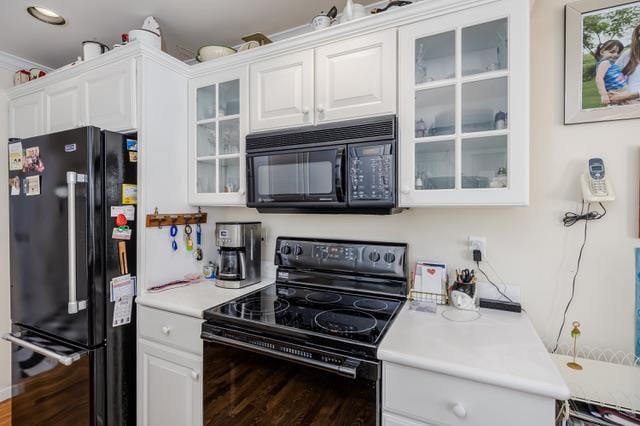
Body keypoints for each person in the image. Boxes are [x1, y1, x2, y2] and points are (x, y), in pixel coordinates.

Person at [594, 40, 630, 106]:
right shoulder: (605, 63)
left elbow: (615, 77)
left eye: (618, 52)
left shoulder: (612, 64)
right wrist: (604, 95)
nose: (615, 54)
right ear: (602, 52)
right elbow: (599, 79)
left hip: (622, 90)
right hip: (616, 91)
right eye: (612, 52)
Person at [611, 24, 640, 104]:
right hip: (625, 103)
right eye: (639, 35)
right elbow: (612, 74)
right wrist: (613, 93)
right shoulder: (628, 54)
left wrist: (630, 96)